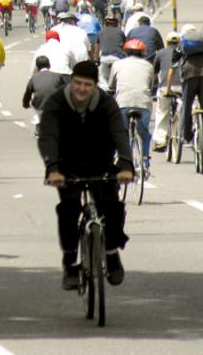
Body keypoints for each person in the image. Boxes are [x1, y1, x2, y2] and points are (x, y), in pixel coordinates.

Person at [38, 61, 133, 290]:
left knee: (111, 206)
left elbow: (119, 133)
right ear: (71, 81)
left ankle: (111, 253)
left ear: (95, 86)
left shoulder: (106, 104)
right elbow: (48, 136)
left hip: (100, 164)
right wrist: (53, 168)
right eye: (78, 83)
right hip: (66, 167)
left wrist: (126, 164)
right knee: (69, 209)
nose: (82, 89)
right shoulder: (56, 103)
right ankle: (70, 262)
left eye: (87, 85)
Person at [108, 39, 155, 171]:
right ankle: (145, 161)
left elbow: (111, 86)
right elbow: (150, 86)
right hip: (143, 103)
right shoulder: (148, 66)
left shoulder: (117, 65)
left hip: (123, 103)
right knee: (144, 133)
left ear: (125, 51)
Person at [166, 25, 203, 148]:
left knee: (186, 106)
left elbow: (173, 66)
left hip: (189, 76)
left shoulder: (181, 43)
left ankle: (186, 136)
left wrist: (168, 88)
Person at [152, 31, 182, 152]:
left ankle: (160, 141)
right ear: (179, 42)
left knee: (162, 112)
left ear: (166, 42)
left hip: (165, 86)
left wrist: (152, 87)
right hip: (182, 87)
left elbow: (154, 73)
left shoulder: (160, 53)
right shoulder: (183, 53)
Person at [22, 55, 66, 135]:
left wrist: (25, 104)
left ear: (37, 67)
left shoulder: (34, 78)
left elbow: (28, 93)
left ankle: (38, 125)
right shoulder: (58, 76)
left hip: (40, 105)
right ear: (49, 65)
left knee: (37, 109)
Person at [98, 14, 125, 89]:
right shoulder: (120, 32)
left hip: (104, 59)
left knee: (102, 77)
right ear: (116, 23)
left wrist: (96, 59)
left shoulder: (101, 32)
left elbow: (97, 47)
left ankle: (105, 90)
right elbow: (124, 46)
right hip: (117, 58)